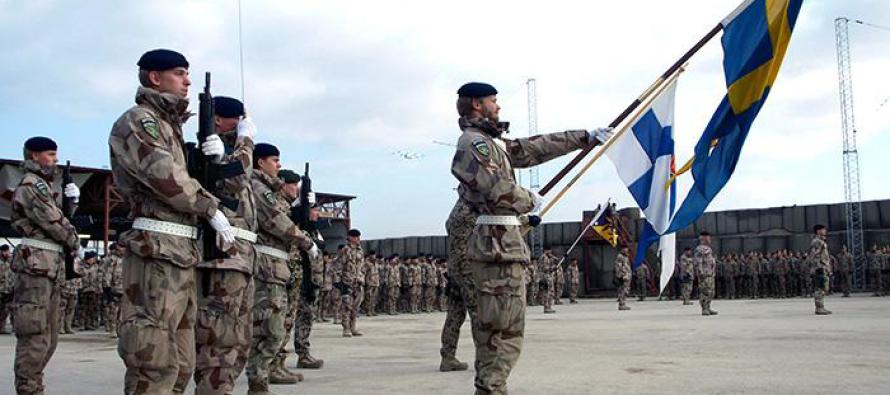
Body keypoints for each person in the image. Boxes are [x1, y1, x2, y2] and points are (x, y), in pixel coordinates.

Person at [449, 81, 611, 394]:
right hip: (496, 249)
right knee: (501, 334)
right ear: (477, 105)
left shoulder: (489, 142)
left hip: (502, 246)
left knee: (499, 332)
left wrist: (583, 137)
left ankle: (491, 388)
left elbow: (533, 148)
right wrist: (526, 199)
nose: (499, 106)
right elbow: (496, 188)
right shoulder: (473, 143)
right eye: (493, 101)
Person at [191, 95, 260, 394]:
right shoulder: (209, 153)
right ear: (218, 120)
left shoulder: (229, 154)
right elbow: (236, 179)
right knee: (217, 342)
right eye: (237, 119)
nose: (241, 125)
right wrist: (246, 140)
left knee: (239, 341)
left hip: (241, 259)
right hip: (220, 259)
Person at [10, 136, 81, 394]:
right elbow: (52, 222)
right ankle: (29, 390)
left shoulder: (45, 186)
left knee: (48, 339)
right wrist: (74, 238)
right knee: (34, 336)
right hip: (36, 267)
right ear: (33, 156)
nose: (55, 159)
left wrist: (70, 205)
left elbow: (56, 218)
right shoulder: (32, 184)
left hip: (48, 266)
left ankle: (34, 387)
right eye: (49, 154)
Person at [248, 144, 320, 393]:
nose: (277, 165)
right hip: (269, 267)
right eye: (274, 160)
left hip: (278, 268)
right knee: (270, 327)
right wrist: (305, 239)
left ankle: (266, 374)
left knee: (277, 326)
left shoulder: (271, 193)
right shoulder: (263, 191)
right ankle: (262, 375)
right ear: (260, 162)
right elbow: (278, 223)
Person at [337, 229, 365, 337]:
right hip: (347, 281)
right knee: (347, 306)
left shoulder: (360, 250)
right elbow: (339, 265)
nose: (358, 239)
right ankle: (346, 328)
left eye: (359, 237)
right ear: (350, 237)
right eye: (356, 237)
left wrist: (362, 278)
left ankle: (353, 327)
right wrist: (339, 281)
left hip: (358, 281)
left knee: (356, 306)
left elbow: (361, 267)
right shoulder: (345, 250)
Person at [101, 243, 125, 338]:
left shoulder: (128, 259)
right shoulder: (112, 260)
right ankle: (113, 329)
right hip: (115, 288)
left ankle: (120, 329)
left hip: (126, 288)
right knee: (114, 310)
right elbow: (108, 273)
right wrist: (107, 286)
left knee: (123, 311)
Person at [809, 225, 832, 315]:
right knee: (819, 288)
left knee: (823, 287)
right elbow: (814, 255)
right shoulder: (817, 242)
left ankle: (821, 307)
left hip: (823, 267)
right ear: (818, 231)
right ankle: (819, 308)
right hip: (819, 268)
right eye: (823, 229)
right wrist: (818, 267)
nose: (825, 231)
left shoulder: (821, 241)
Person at [694, 232, 718, 316]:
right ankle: (704, 309)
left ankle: (708, 307)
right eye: (708, 238)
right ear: (703, 238)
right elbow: (698, 262)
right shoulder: (700, 249)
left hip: (710, 274)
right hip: (704, 274)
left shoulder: (709, 249)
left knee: (711, 292)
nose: (710, 239)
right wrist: (700, 272)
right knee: (705, 291)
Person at [0, 244, 14, 334]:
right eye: (6, 251)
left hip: (8, 290)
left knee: (6, 310)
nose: (8, 253)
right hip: (1, 289)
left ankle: (2, 328)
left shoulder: (10, 262)